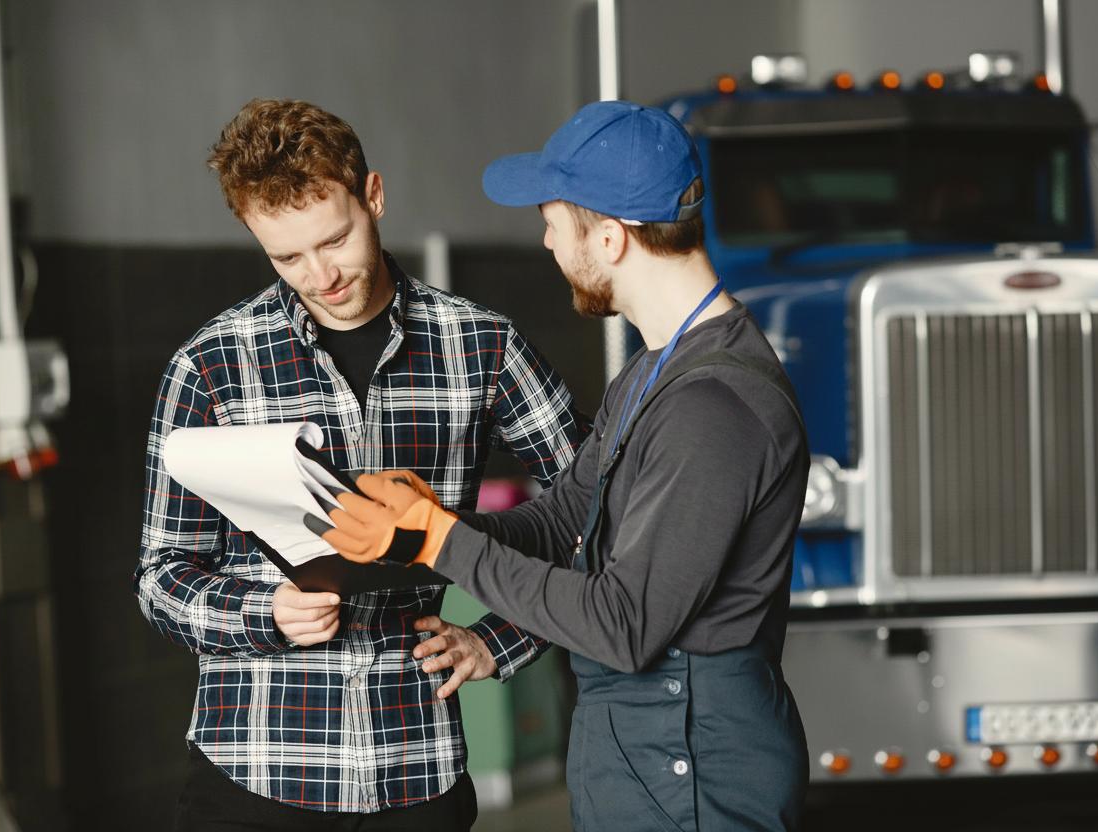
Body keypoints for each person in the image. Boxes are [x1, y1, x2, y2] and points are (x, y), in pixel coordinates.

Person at [314, 100, 811, 831]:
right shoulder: (654, 373)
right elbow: (563, 519)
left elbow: (624, 623)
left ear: (610, 237)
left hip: (696, 775)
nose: (546, 242)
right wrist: (432, 519)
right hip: (648, 760)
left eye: (554, 221)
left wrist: (441, 544)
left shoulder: (713, 408)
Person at [134, 98, 588, 831]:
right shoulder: (210, 365)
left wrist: (498, 642)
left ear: (373, 196)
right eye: (286, 256)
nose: (320, 276)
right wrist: (264, 613)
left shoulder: (482, 346)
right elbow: (161, 575)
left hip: (415, 771)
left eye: (334, 239)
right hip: (253, 770)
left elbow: (593, 510)